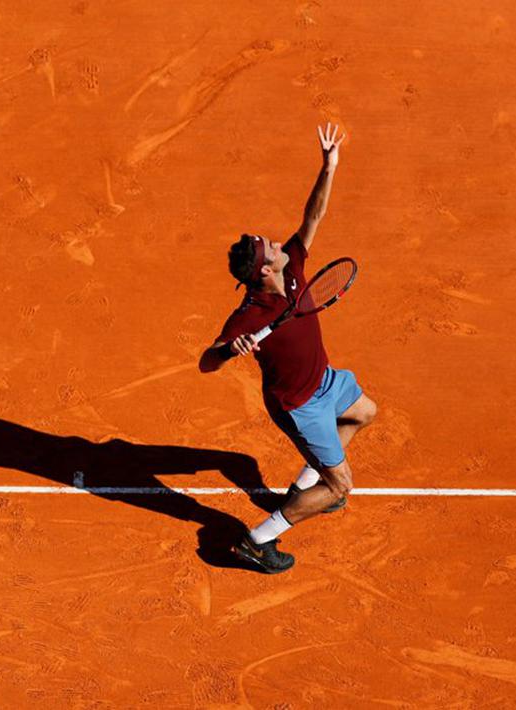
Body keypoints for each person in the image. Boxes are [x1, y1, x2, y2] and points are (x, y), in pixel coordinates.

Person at [198, 124, 377, 573]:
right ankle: (258, 540)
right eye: (270, 248)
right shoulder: (250, 315)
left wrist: (328, 166)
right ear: (262, 271)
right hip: (299, 404)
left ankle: (304, 484)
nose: (278, 245)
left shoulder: (294, 265)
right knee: (340, 488)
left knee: (363, 412)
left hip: (325, 380)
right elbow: (206, 362)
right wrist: (226, 350)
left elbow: (312, 216)